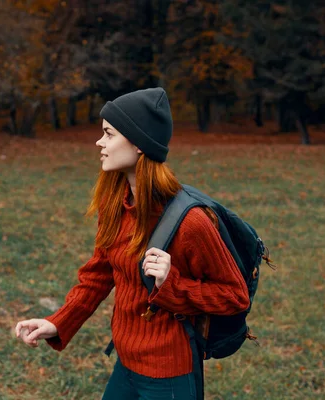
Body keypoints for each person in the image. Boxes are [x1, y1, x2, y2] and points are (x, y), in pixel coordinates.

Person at [15, 88, 250, 400]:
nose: (100, 143)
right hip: (126, 364)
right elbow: (98, 274)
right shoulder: (117, 202)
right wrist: (57, 322)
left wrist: (173, 284)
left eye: (109, 134)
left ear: (139, 144)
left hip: (168, 375)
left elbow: (234, 297)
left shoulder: (190, 223)